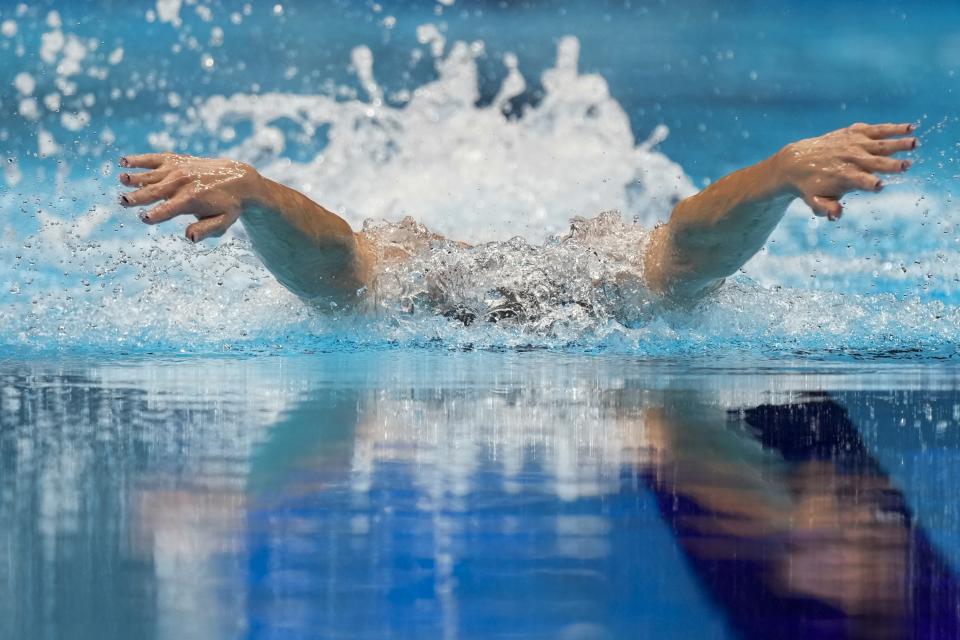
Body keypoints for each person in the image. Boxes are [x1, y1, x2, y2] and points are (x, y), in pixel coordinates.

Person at [117, 122, 916, 304]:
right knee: (371, 272)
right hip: (431, 268)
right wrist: (253, 193)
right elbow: (340, 269)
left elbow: (690, 244)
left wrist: (779, 176)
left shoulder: (614, 276)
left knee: (658, 270)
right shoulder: (415, 277)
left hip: (595, 268)